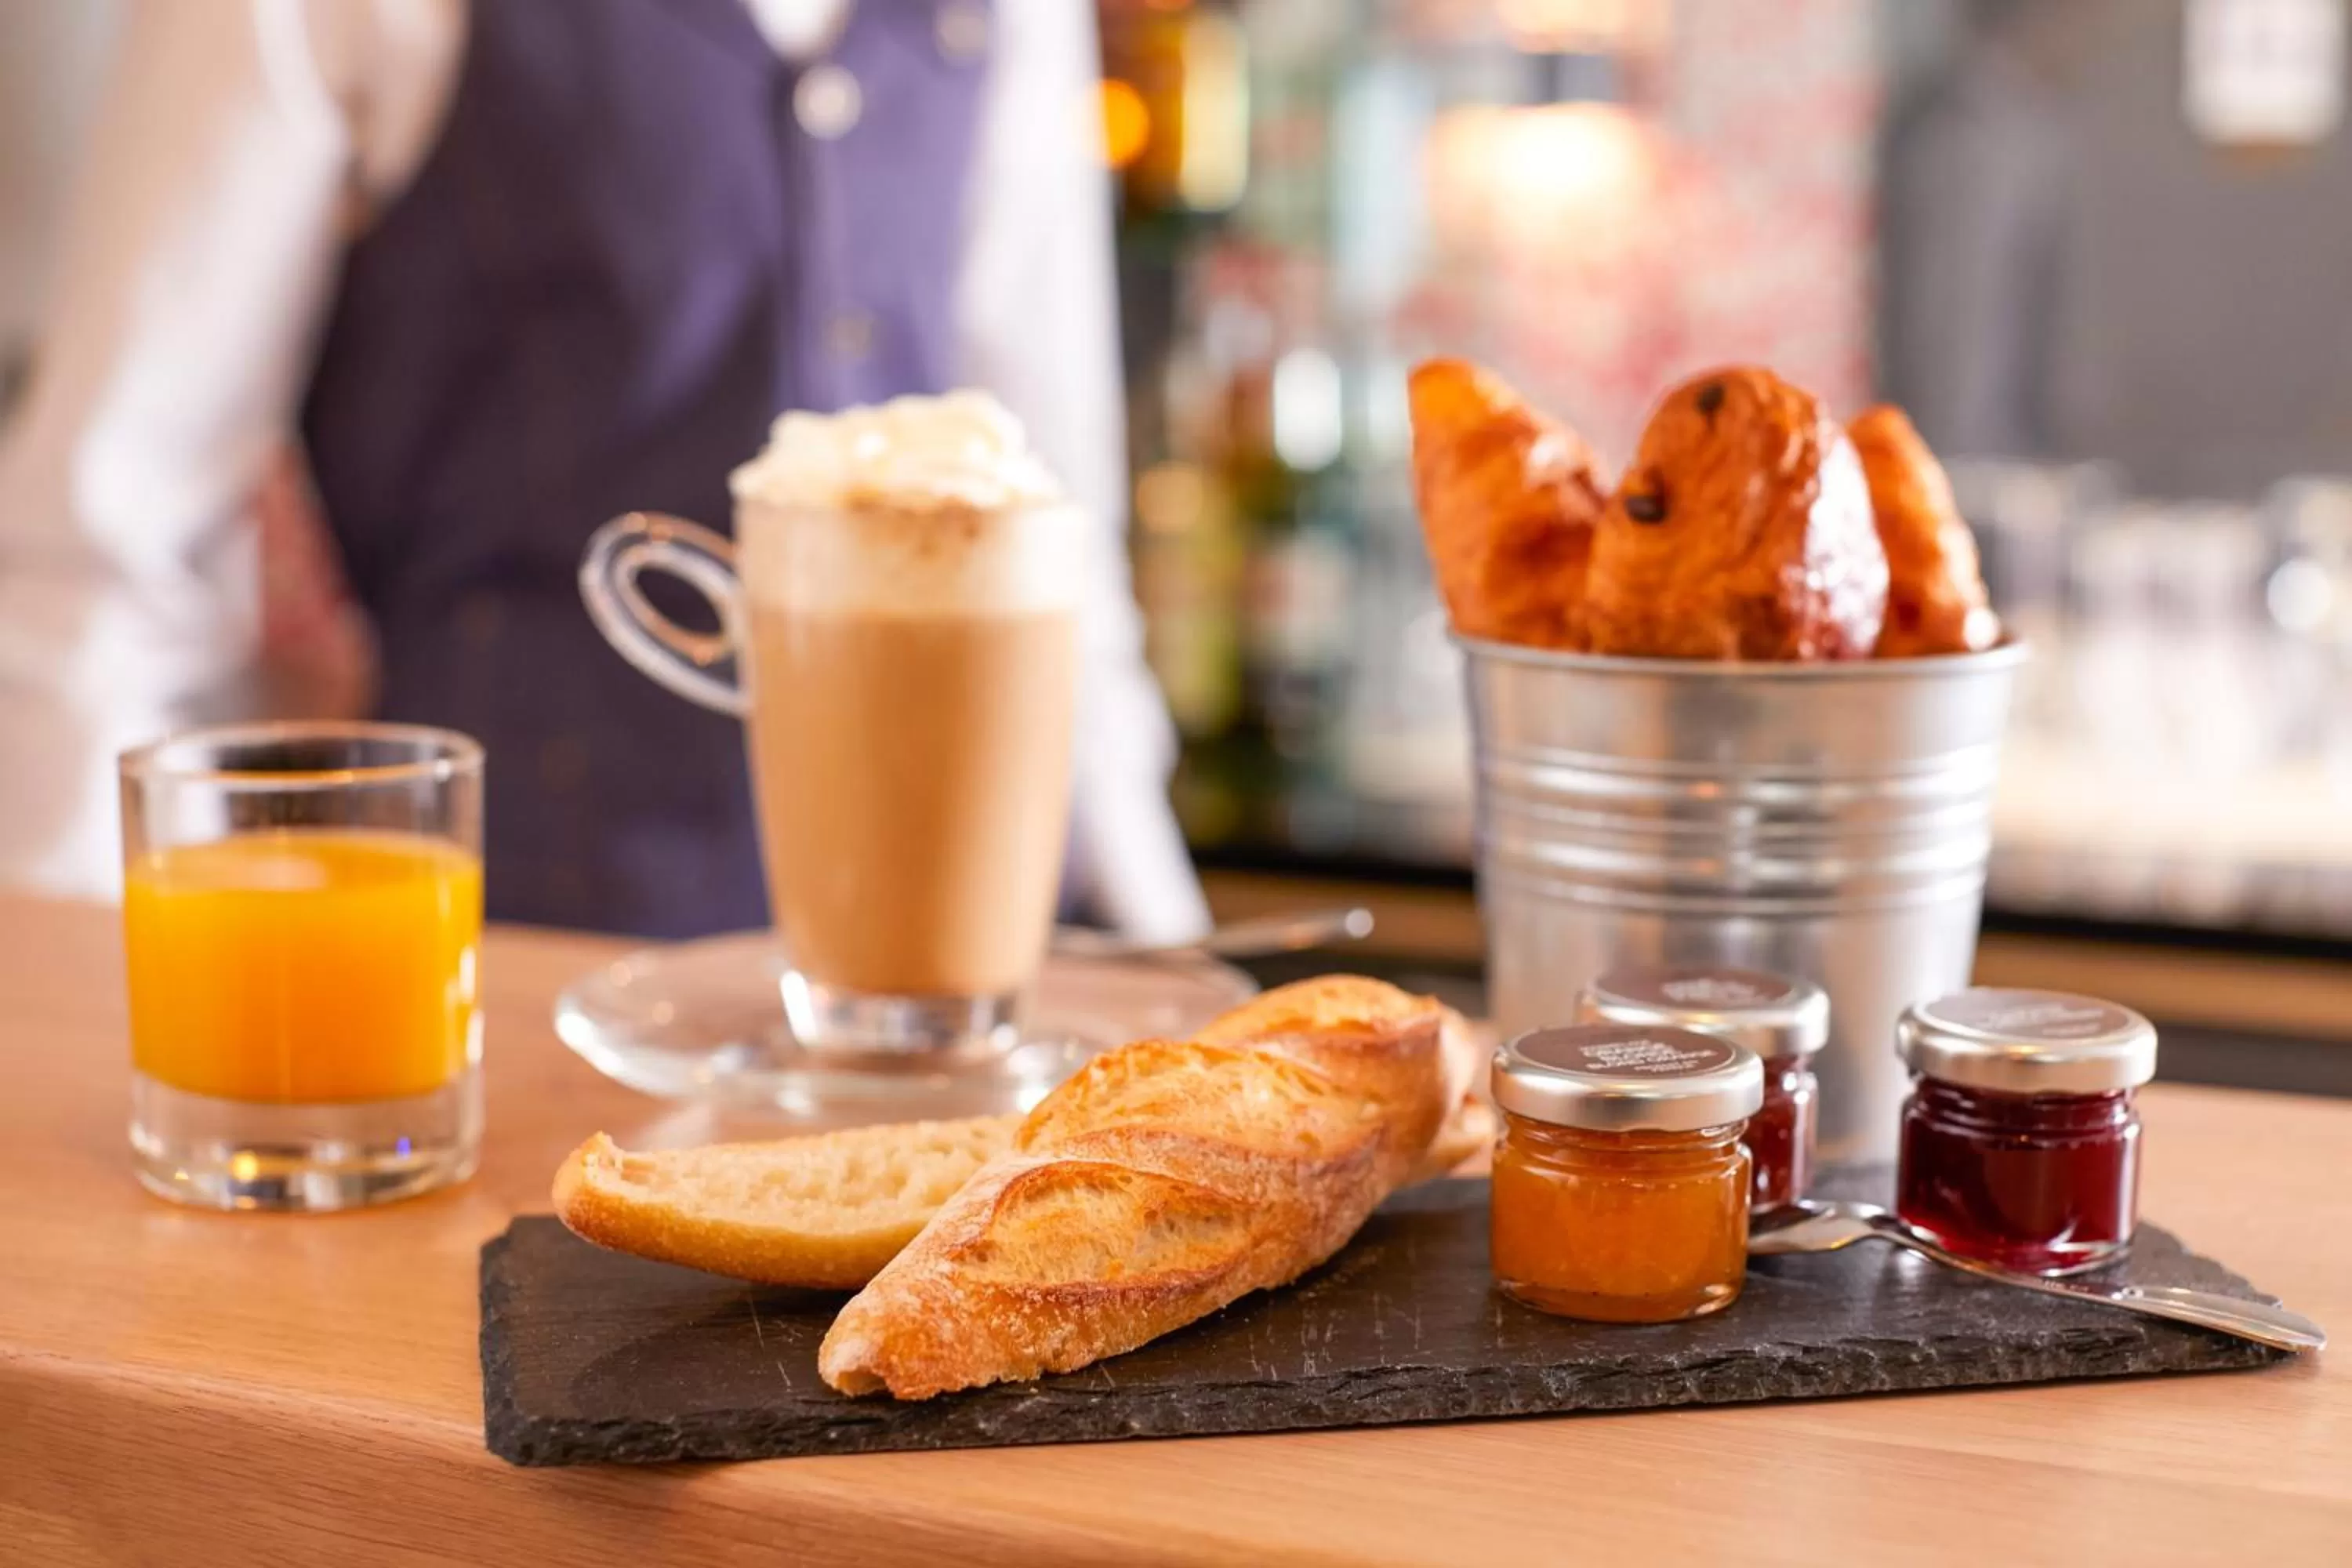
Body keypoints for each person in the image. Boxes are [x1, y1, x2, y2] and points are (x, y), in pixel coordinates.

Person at [0, 0, 1210, 942]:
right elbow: (109, 550)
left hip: (973, 993)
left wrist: (1166, 952)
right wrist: (72, 1026)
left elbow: (1052, 527)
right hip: (527, 981)